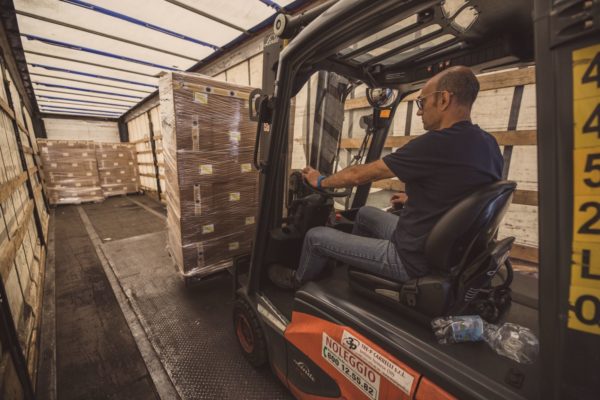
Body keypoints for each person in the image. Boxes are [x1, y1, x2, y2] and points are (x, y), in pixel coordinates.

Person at [268, 66, 504, 289]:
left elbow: (360, 175)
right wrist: (414, 200)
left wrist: (319, 181)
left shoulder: (435, 144)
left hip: (411, 259)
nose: (420, 111)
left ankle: (298, 280)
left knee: (314, 237)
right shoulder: (488, 144)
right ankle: (355, 270)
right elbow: (462, 193)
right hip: (439, 246)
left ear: (444, 99)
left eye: (422, 102)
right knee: (365, 213)